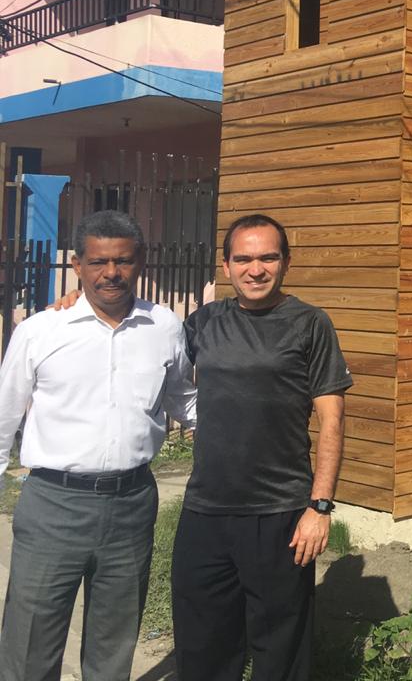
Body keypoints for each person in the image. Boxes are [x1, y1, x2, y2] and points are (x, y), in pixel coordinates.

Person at [0, 210, 197, 681]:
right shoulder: (40, 331)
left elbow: (185, 401)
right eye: (98, 262)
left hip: (132, 503)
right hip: (53, 504)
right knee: (30, 642)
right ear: (77, 265)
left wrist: (244, 433)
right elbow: (4, 415)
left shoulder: (164, 327)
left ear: (140, 261)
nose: (111, 272)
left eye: (123, 261)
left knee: (115, 641)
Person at [171, 213, 351, 681]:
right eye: (243, 259)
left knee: (281, 653)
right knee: (203, 648)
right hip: (205, 512)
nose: (256, 269)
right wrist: (78, 301)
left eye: (268, 257)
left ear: (286, 262)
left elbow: (332, 419)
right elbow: (146, 350)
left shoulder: (310, 324)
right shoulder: (203, 323)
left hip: (280, 515)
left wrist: (320, 507)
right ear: (226, 266)